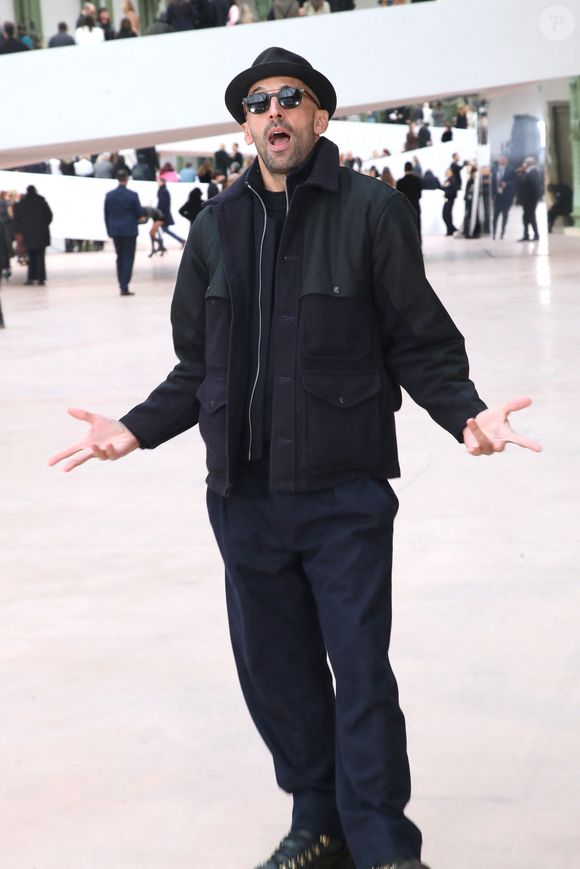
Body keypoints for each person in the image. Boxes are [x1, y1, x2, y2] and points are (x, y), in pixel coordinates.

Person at [49, 47, 542, 869]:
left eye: (289, 97)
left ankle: (384, 843)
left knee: (360, 673)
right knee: (277, 675)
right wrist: (134, 427)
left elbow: (419, 343)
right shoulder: (215, 226)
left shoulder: (374, 214)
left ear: (318, 115)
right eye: (257, 102)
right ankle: (319, 822)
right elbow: (197, 365)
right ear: (246, 126)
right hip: (243, 498)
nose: (272, 111)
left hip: (344, 494)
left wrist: (467, 414)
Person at [103, 169, 143, 295]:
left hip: (115, 230)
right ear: (127, 179)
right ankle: (124, 284)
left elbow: (106, 214)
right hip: (130, 230)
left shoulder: (109, 195)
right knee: (128, 257)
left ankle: (121, 282)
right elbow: (139, 213)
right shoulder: (133, 195)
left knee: (119, 256)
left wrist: (109, 230)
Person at [13, 185, 53, 285]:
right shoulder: (41, 201)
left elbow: (16, 218)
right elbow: (49, 216)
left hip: (27, 234)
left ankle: (30, 278)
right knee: (40, 257)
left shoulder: (22, 203)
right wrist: (43, 225)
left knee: (30, 257)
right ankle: (41, 279)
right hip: (41, 234)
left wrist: (21, 230)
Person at [396, 161, 422, 243]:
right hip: (415, 206)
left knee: (405, 228)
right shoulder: (417, 181)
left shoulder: (400, 182)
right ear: (412, 169)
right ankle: (418, 246)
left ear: (404, 169)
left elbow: (399, 198)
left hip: (405, 208)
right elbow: (419, 195)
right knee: (417, 227)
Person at [517, 157, 541, 241]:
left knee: (531, 217)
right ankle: (526, 235)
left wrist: (533, 200)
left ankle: (536, 234)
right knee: (526, 217)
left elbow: (534, 187)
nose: (523, 164)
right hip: (527, 200)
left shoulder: (534, 172)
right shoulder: (528, 172)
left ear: (529, 163)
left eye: (525, 163)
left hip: (530, 200)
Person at [156, 177, 186, 246]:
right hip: (162, 213)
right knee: (162, 229)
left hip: (162, 214)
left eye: (159, 182)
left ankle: (181, 240)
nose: (158, 183)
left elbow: (163, 204)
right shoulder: (162, 190)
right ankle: (181, 240)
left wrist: (158, 212)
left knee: (163, 229)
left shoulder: (163, 191)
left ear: (163, 182)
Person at [491, 156, 515, 240]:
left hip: (506, 197)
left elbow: (514, 182)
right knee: (495, 216)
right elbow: (493, 183)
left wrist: (507, 184)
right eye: (500, 160)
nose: (501, 161)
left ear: (506, 161)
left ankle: (502, 232)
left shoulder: (511, 170)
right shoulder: (495, 170)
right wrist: (492, 196)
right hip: (497, 197)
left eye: (503, 160)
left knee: (505, 216)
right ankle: (494, 233)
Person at [442, 167, 458, 235]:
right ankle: (452, 229)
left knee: (447, 215)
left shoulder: (452, 180)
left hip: (450, 199)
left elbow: (453, 191)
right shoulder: (448, 180)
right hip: (447, 199)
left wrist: (447, 194)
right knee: (445, 215)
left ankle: (450, 230)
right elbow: (443, 187)